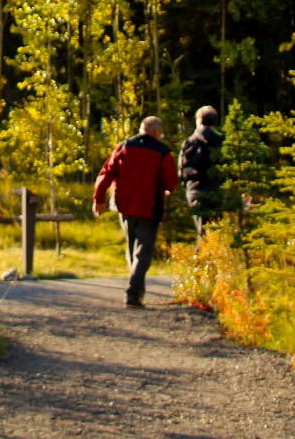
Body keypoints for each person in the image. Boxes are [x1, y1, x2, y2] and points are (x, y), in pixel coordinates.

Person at [93, 115, 177, 307]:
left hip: (125, 206)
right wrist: (166, 190)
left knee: (132, 249)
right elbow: (171, 181)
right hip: (150, 207)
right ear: (156, 132)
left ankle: (136, 291)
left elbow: (107, 171)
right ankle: (133, 293)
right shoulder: (162, 151)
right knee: (144, 253)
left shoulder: (124, 146)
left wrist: (99, 198)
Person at [179, 105, 223, 239]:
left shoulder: (189, 142)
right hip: (218, 191)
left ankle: (200, 258)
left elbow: (182, 170)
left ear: (198, 121)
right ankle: (210, 258)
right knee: (216, 233)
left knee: (202, 232)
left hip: (195, 191)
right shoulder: (222, 140)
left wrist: (187, 186)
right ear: (215, 122)